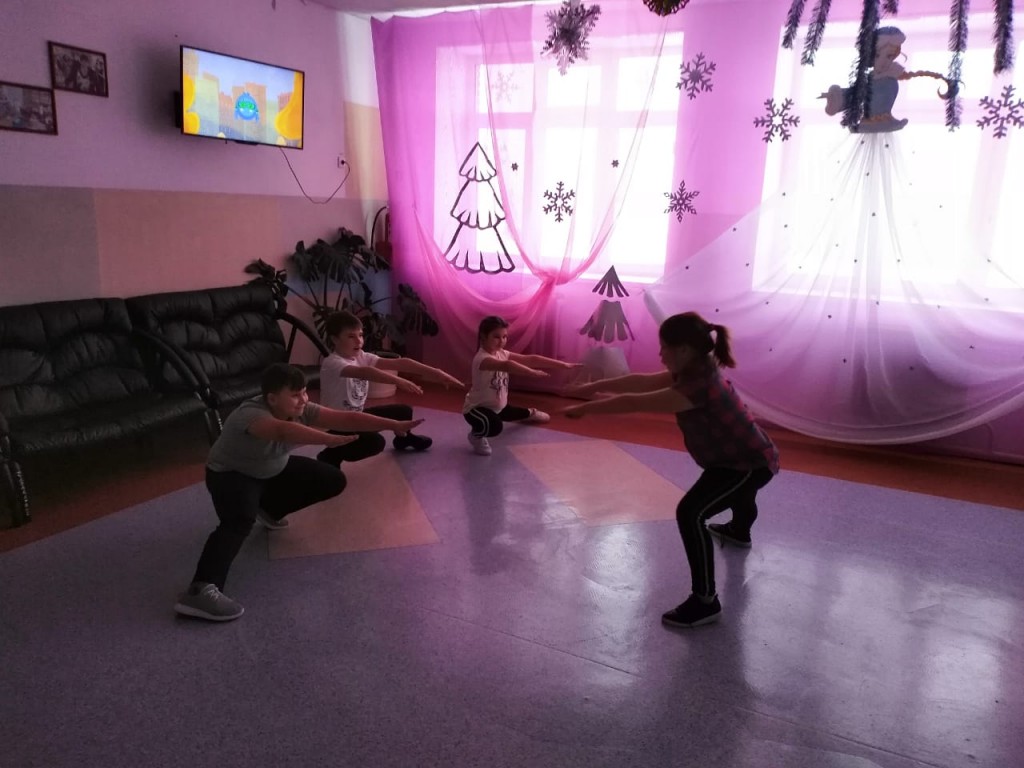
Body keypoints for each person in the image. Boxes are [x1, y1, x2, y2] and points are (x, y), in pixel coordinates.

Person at [562, 312, 779, 628]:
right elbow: (640, 381)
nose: (660, 354)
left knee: (691, 512)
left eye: (664, 347)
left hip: (746, 463)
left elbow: (635, 402)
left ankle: (705, 601)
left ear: (684, 350)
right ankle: (739, 530)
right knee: (740, 494)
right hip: (747, 454)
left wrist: (586, 407)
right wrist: (595, 386)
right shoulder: (696, 369)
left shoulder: (697, 386)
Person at [174, 363, 424, 622]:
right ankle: (200, 590)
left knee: (332, 479)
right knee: (238, 522)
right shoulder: (250, 414)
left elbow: (348, 419)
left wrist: (393, 424)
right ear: (272, 398)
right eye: (295, 395)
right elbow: (281, 431)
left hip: (271, 470)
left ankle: (270, 509)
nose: (303, 399)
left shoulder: (302, 409)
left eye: (304, 391)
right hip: (232, 476)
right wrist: (328, 439)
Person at [316, 310, 464, 467]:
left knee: (402, 411)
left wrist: (437, 373)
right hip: (336, 424)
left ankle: (404, 439)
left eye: (360, 335)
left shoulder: (361, 356)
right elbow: (366, 372)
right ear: (334, 339)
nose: (358, 341)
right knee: (375, 443)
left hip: (357, 417)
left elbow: (402, 363)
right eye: (351, 336)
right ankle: (331, 454)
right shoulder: (332, 363)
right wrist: (398, 381)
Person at [463, 315, 581, 456]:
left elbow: (531, 359)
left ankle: (531, 413)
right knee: (495, 427)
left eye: (504, 337)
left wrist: (563, 365)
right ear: (483, 336)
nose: (502, 341)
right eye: (496, 337)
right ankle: (476, 436)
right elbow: (508, 365)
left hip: (499, 407)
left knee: (513, 413)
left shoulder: (501, 353)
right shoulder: (482, 359)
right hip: (476, 409)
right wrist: (531, 372)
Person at [820, 26, 957, 133]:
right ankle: (866, 113)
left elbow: (909, 75)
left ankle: (881, 116)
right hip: (869, 116)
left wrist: (935, 76)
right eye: (877, 55)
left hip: (884, 116)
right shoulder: (871, 78)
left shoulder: (892, 72)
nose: (883, 61)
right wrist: (835, 96)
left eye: (890, 56)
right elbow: (858, 93)